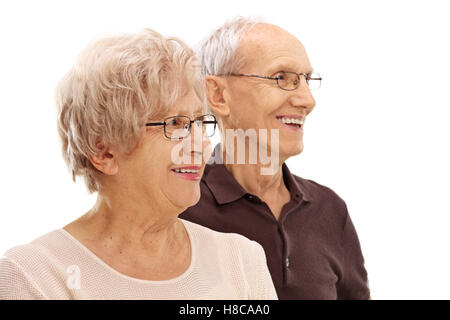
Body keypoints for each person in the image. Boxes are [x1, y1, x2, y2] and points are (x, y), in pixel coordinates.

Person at [0, 29, 277, 300]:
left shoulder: (241, 260)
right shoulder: (34, 276)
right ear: (104, 151)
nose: (202, 145)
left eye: (199, 123)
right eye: (176, 124)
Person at [180, 17, 370, 299]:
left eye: (306, 80)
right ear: (218, 95)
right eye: (282, 78)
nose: (308, 100)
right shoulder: (180, 207)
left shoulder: (330, 209)